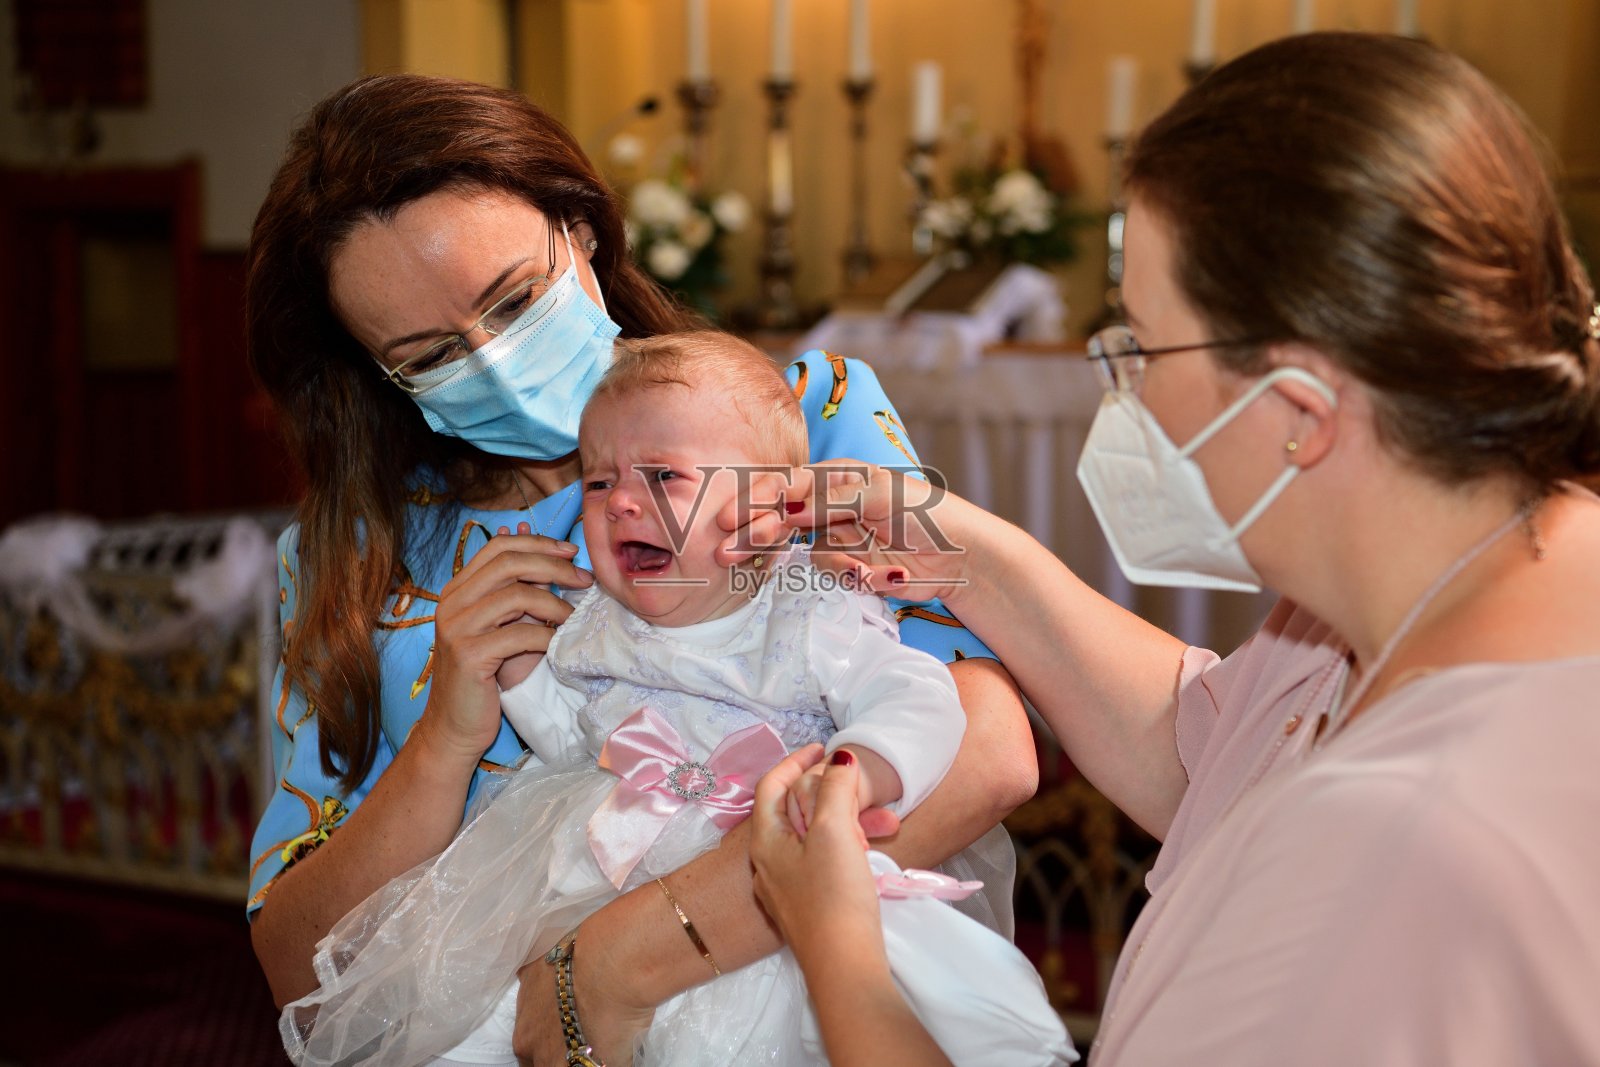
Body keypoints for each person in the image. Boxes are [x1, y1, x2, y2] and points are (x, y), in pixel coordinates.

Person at [746, 32, 1600, 1066]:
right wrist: (963, 556)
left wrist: (832, 937)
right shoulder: (1444, 580)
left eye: (1143, 345)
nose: (1129, 388)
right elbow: (1220, 748)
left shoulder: (1393, 845)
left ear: (1298, 408)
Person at [243, 73, 1038, 1064]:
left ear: (579, 230)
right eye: (432, 352)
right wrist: (447, 736)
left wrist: (624, 959)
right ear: (376, 372)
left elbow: (985, 750)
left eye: (514, 298)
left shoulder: (788, 422)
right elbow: (297, 975)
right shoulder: (349, 558)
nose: (492, 360)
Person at [278, 333, 1072, 1067]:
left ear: (767, 510)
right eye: (600, 481)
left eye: (662, 476)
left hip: (763, 858)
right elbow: (574, 742)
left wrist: (857, 771)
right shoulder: (595, 624)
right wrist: (520, 678)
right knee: (471, 1016)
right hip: (598, 862)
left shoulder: (809, 605)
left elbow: (919, 697)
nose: (621, 501)